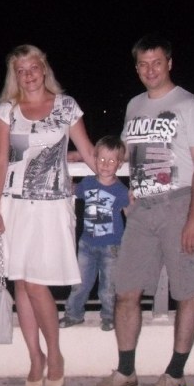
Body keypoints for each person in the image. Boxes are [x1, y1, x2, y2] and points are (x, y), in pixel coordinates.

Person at [91, 34, 194, 386]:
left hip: (180, 205)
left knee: (186, 291)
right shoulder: (134, 105)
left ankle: (175, 374)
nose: (150, 70)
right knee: (125, 290)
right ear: (136, 68)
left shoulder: (191, 105)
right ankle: (125, 371)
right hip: (142, 210)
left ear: (169, 63)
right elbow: (127, 154)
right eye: (143, 64)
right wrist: (106, 172)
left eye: (157, 62)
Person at [0, 44, 96, 386]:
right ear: (15, 76)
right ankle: (36, 357)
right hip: (13, 204)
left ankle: (56, 354)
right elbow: (0, 161)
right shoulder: (7, 111)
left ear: (44, 68)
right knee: (21, 282)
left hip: (52, 205)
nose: (28, 75)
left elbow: (88, 151)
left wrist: (117, 178)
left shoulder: (66, 106)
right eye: (21, 70)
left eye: (33, 67)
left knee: (36, 284)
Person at [59, 135, 129, 332]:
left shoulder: (121, 190)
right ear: (95, 159)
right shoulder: (88, 182)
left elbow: (130, 213)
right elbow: (73, 189)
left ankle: (109, 317)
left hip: (112, 246)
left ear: (119, 164)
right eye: (102, 159)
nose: (105, 165)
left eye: (112, 161)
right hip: (86, 244)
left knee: (108, 287)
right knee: (80, 283)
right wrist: (64, 178)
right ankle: (73, 314)